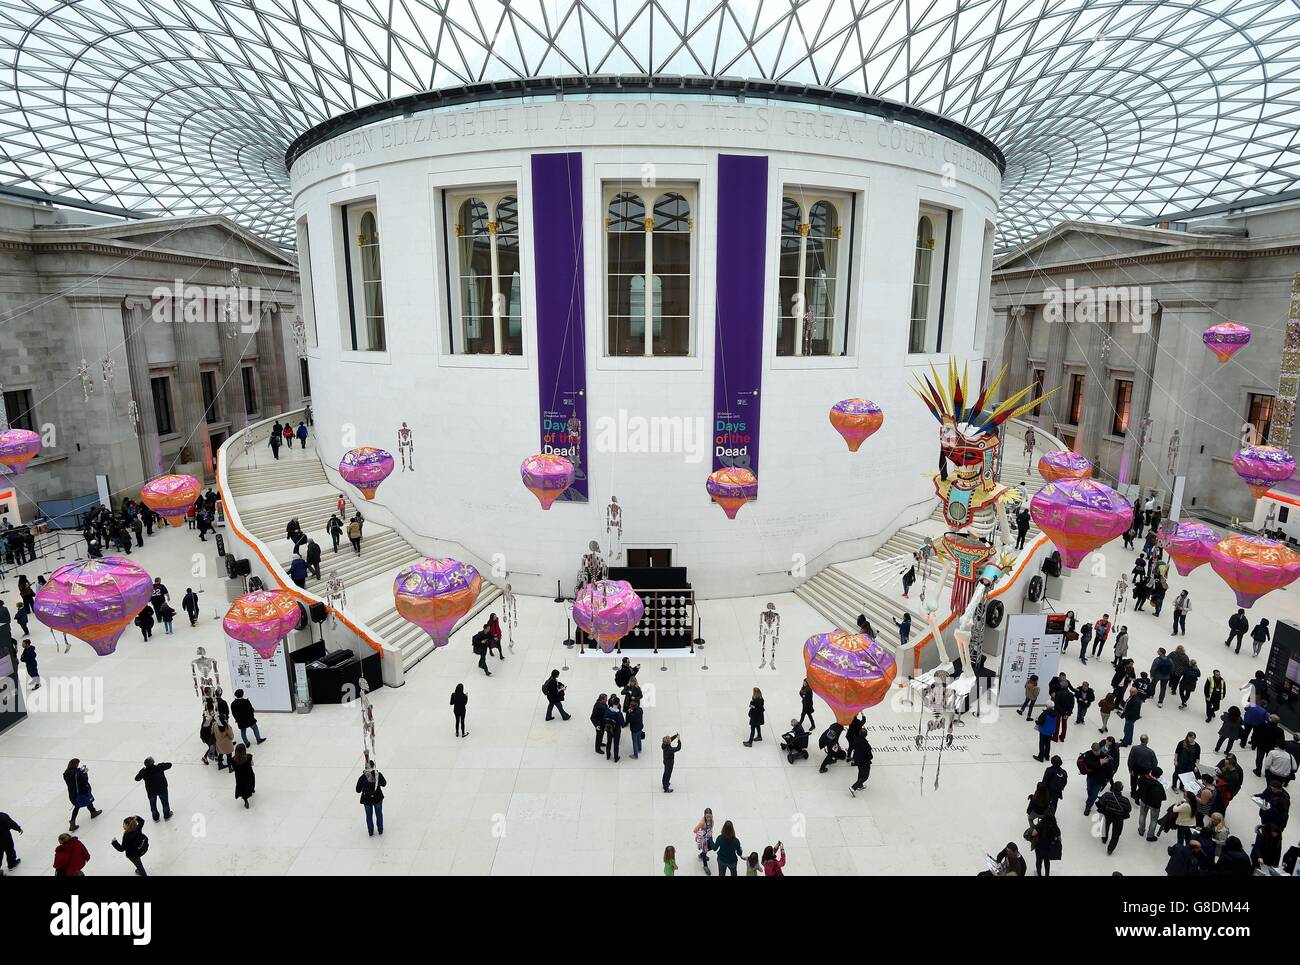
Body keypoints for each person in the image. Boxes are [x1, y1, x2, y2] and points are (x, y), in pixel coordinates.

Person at [62, 759, 101, 831]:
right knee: (86, 800)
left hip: (72, 794)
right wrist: (85, 773)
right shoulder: (78, 773)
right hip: (81, 792)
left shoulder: (66, 773)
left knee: (79, 804)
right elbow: (84, 781)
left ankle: (92, 812)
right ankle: (91, 813)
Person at [1096, 780, 1132, 855]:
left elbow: (1102, 802)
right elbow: (1128, 809)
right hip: (1118, 818)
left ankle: (1104, 839)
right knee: (1116, 833)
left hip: (1107, 814)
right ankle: (1110, 849)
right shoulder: (1125, 800)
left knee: (1105, 827)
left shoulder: (1107, 795)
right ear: (1121, 789)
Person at [1135, 767, 1168, 840]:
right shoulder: (1158, 785)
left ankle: (1141, 830)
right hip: (1154, 805)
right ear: (1159, 776)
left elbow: (1139, 789)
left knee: (1142, 815)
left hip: (1144, 801)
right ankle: (1150, 836)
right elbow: (1162, 797)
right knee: (1154, 820)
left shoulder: (1143, 778)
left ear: (1151, 772)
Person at [357, 764, 386, 836]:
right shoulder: (377, 775)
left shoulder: (362, 777)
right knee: (379, 814)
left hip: (366, 800)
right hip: (377, 798)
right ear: (373, 767)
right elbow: (384, 784)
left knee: (369, 815)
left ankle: (370, 831)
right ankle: (380, 830)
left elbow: (358, 790)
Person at [848, 731, 873, 796]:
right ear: (866, 735)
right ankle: (853, 787)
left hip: (857, 760)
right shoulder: (866, 745)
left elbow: (852, 747)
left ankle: (860, 786)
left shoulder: (855, 739)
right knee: (865, 776)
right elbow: (870, 756)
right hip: (865, 762)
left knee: (861, 772)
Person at [232, 744, 256, 808]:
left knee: (242, 788)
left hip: (239, 777)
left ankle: (246, 801)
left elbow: (233, 768)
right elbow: (252, 764)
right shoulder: (248, 757)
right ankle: (252, 790)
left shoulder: (233, 760)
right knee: (250, 783)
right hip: (248, 775)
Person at [694, 809, 716, 874]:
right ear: (705, 815)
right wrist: (701, 833)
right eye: (707, 816)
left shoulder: (712, 820)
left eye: (710, 816)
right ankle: (705, 866)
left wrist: (710, 833)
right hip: (703, 838)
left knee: (713, 847)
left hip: (709, 836)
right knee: (704, 851)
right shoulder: (702, 822)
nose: (709, 818)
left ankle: (701, 855)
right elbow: (695, 830)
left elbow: (711, 828)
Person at [604, 697, 625, 762]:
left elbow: (604, 718)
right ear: (618, 704)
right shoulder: (619, 713)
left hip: (609, 729)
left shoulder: (608, 710)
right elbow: (623, 724)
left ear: (612, 703)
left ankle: (608, 755)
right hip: (616, 730)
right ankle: (616, 758)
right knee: (616, 744)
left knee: (609, 742)